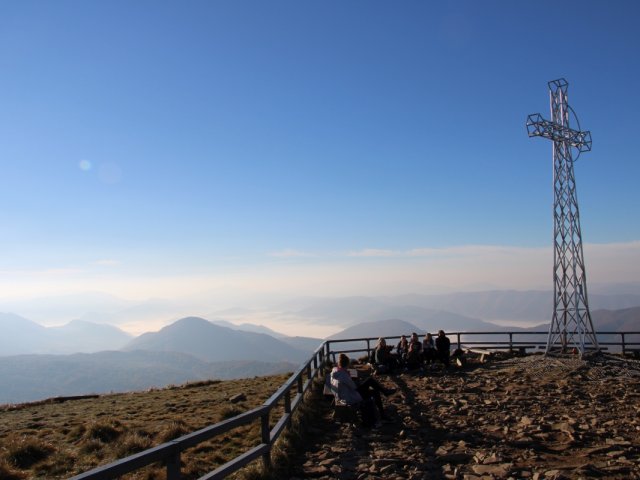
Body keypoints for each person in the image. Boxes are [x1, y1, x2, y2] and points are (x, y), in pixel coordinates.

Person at [330, 353, 396, 425]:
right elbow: (354, 387)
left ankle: (382, 408)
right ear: (347, 364)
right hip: (349, 398)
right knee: (371, 384)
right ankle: (382, 410)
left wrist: (353, 380)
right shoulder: (343, 375)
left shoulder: (335, 372)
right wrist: (354, 380)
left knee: (371, 386)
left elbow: (349, 385)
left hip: (344, 395)